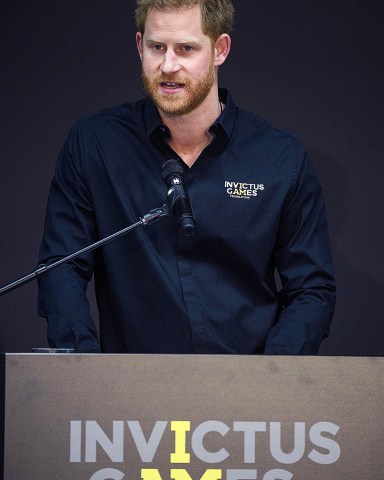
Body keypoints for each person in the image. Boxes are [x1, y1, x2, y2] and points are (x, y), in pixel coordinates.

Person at [38, 0, 336, 354]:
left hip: (245, 394)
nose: (168, 65)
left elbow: (311, 290)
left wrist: (269, 379)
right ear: (139, 46)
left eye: (186, 49)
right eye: (157, 47)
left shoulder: (280, 156)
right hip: (130, 392)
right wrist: (84, 372)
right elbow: (61, 266)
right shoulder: (95, 144)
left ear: (219, 49)